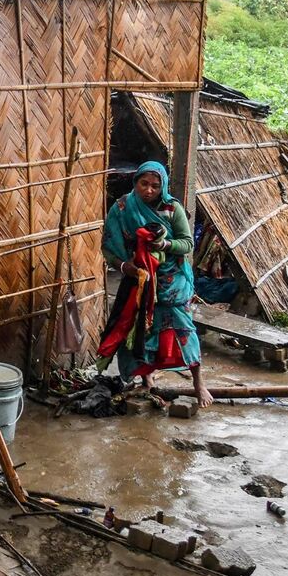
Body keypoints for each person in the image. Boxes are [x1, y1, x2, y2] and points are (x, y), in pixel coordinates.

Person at [98, 160, 212, 407]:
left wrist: (164, 245)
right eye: (144, 184)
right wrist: (124, 267)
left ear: (163, 186)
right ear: (135, 182)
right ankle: (146, 380)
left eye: (155, 186)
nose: (149, 190)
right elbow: (108, 246)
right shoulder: (121, 207)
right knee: (139, 329)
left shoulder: (172, 208)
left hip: (172, 282)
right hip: (138, 279)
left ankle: (198, 383)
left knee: (183, 329)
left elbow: (187, 243)